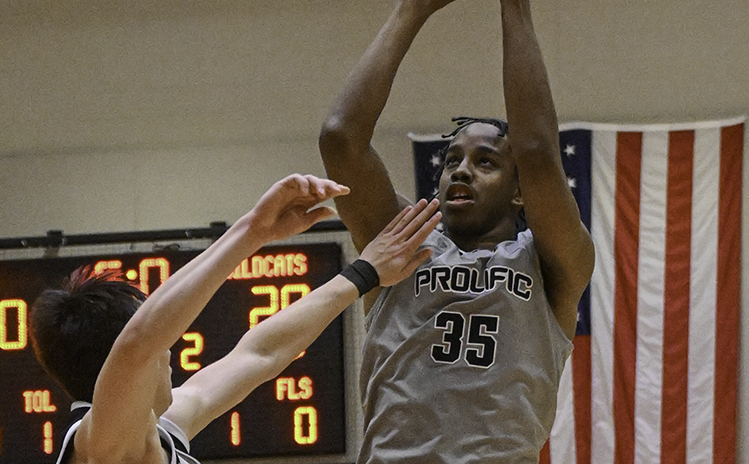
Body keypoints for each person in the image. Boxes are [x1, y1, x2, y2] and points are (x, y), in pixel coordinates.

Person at [319, 0, 596, 463]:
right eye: (452, 161)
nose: (461, 172)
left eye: (487, 161)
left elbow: (540, 150)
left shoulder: (551, 264)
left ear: (521, 191)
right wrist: (411, 7)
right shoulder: (402, 242)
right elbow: (342, 139)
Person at [29, 173, 441, 464]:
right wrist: (245, 233)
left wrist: (362, 272)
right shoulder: (101, 444)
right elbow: (140, 343)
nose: (169, 352)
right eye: (162, 346)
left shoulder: (166, 428)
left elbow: (261, 352)